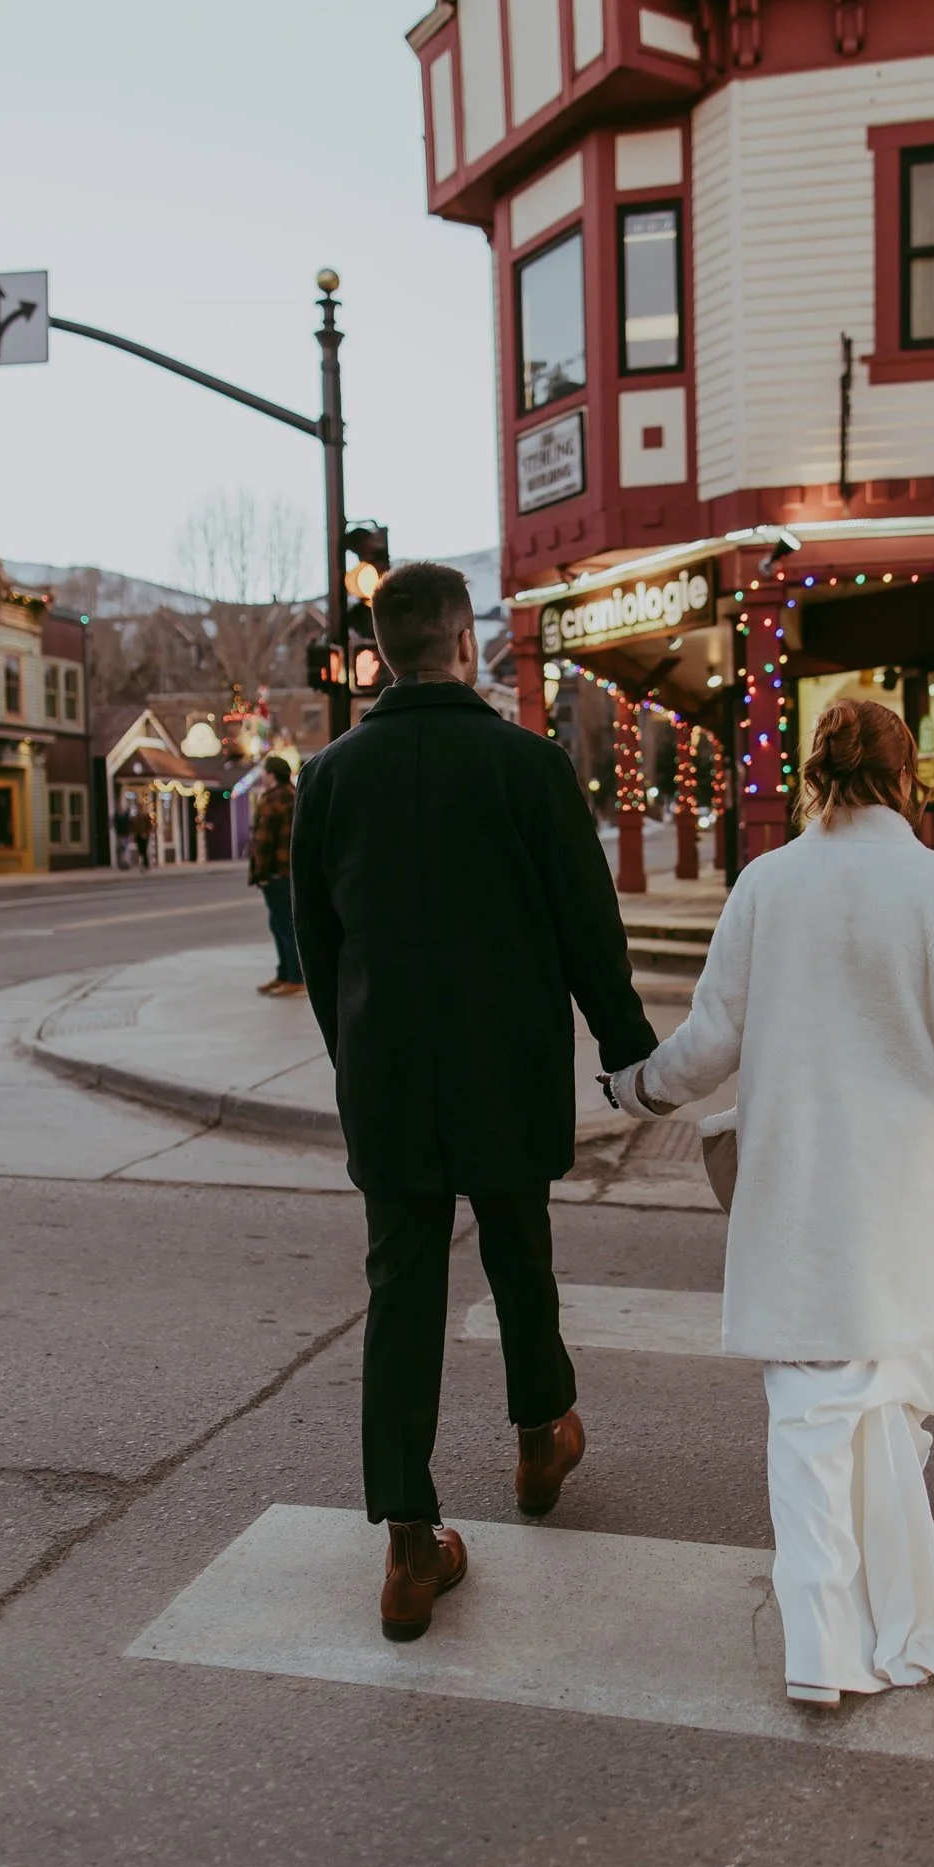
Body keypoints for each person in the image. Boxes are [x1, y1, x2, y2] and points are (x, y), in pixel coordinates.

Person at [608, 698, 934, 1709]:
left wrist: (638, 1090)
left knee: (806, 1406)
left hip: (799, 1182)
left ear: (813, 776)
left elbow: (712, 1040)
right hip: (912, 1185)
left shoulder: (767, 881)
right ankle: (900, 1605)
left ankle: (823, 1641)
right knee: (879, 1385)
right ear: (907, 779)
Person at [291, 561, 656, 1643]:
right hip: (507, 1063)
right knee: (519, 1251)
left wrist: (353, 1056)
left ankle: (409, 1545)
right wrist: (629, 1053)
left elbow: (319, 947)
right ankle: (542, 1437)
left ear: (378, 652)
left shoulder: (329, 778)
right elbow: (588, 926)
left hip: (388, 1074)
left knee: (400, 1290)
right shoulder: (529, 765)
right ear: (462, 641)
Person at [248, 755, 305, 997]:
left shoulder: (273, 800)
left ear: (271, 774)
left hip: (275, 871)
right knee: (279, 923)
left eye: (265, 771)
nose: (262, 776)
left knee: (283, 925)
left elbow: (263, 842)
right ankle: (285, 974)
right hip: (287, 870)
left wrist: (260, 873)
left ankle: (295, 978)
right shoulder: (293, 795)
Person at [131, 804, 154, 871]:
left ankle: (145, 864)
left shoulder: (146, 816)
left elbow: (149, 825)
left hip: (145, 835)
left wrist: (146, 833)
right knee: (140, 850)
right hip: (138, 835)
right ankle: (143, 863)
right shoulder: (136, 817)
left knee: (144, 850)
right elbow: (134, 826)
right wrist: (135, 834)